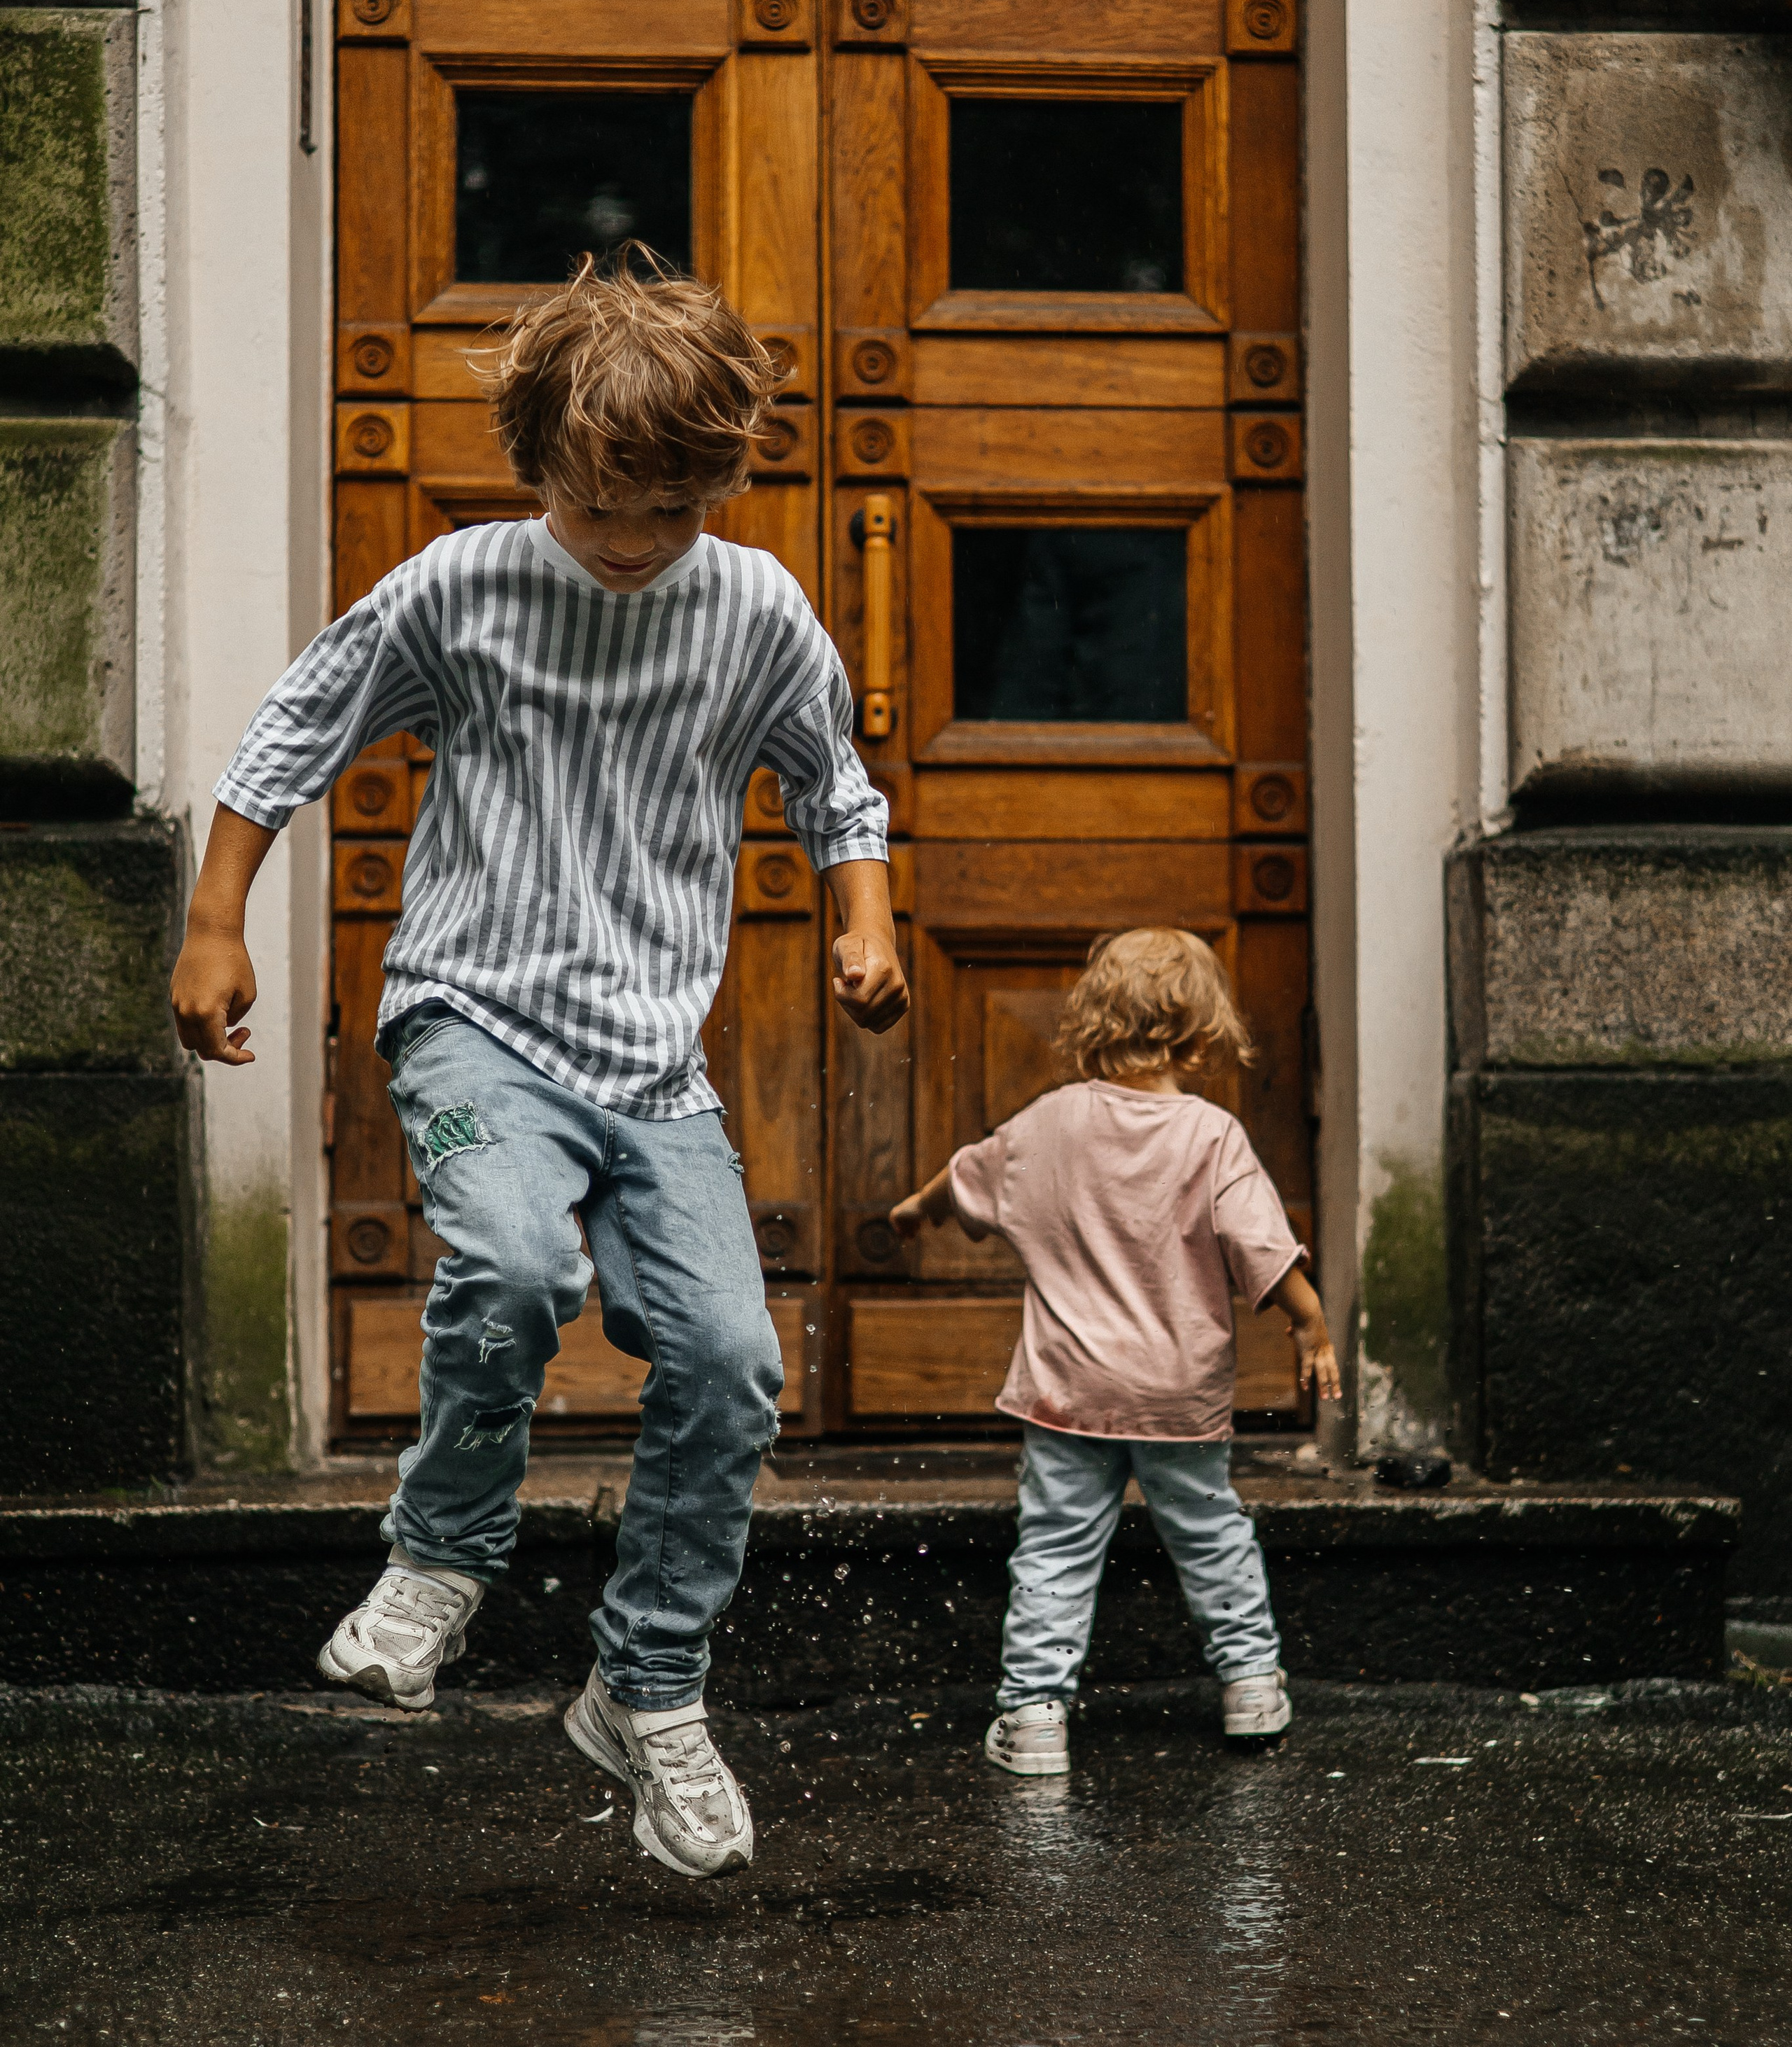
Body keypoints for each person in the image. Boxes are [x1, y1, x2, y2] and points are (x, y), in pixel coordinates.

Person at [171, 251, 909, 1880]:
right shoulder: (463, 585)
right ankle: (440, 1555)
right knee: (508, 1262)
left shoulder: (756, 607)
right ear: (538, 466)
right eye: (599, 513)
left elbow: (834, 783)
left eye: (667, 516)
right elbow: (295, 726)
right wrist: (216, 918)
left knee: (727, 1360)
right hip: (470, 1014)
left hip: (653, 1058)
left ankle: (646, 1686)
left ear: (716, 482)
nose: (633, 550)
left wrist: (862, 920)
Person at [889, 927, 1337, 1773]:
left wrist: (917, 1209)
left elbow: (966, 1177)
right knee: (1209, 1534)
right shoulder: (1211, 1136)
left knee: (1055, 1546)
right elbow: (1260, 1245)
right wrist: (1310, 1321)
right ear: (1202, 1035)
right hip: (1179, 1393)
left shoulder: (1047, 1123)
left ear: (1093, 1023)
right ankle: (1249, 1685)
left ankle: (1032, 1717)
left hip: (1068, 1392)